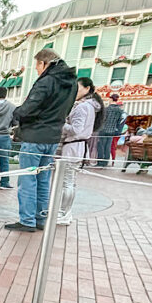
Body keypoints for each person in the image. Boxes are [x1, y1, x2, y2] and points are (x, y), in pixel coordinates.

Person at [5, 48, 76, 232]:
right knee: (43, 179)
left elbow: (30, 107)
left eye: (37, 65)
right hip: (53, 137)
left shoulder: (46, 81)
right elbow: (66, 110)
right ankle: (40, 218)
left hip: (35, 135)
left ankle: (27, 220)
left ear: (44, 63)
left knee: (28, 178)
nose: (36, 69)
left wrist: (17, 113)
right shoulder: (71, 83)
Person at [57, 77, 103, 226]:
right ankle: (66, 212)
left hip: (73, 147)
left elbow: (76, 130)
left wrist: (62, 124)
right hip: (78, 147)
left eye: (78, 88)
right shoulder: (89, 107)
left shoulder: (82, 107)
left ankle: (64, 213)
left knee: (67, 182)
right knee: (70, 182)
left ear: (87, 88)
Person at [96, 94, 125, 168]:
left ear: (111, 99)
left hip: (103, 129)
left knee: (101, 146)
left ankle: (100, 161)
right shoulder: (120, 110)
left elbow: (102, 120)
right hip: (112, 130)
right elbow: (119, 121)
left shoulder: (106, 109)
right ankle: (106, 161)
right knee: (108, 146)